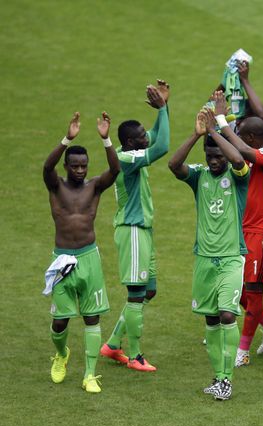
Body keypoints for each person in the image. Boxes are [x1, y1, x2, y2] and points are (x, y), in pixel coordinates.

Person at [168, 109, 249, 401]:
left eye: (218, 156)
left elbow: (238, 160)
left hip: (231, 257)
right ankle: (219, 377)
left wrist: (214, 131)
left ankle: (227, 380)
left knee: (227, 313)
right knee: (211, 320)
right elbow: (173, 165)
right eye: (209, 156)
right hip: (204, 258)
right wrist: (197, 135)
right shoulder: (199, 176)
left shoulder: (238, 178)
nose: (214, 161)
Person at [209, 91, 263, 366]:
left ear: (252, 138)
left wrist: (220, 121)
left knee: (253, 290)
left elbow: (241, 151)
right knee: (238, 288)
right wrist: (214, 129)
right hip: (246, 229)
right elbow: (236, 154)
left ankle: (242, 352)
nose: (239, 138)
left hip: (262, 232)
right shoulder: (256, 154)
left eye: (242, 134)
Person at [44, 112, 120, 394]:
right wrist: (67, 139)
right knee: (60, 320)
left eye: (84, 166)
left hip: (89, 259)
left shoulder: (94, 187)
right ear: (66, 166)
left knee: (92, 318)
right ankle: (61, 354)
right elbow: (46, 166)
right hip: (62, 260)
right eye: (74, 166)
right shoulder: (56, 186)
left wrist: (106, 139)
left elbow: (115, 170)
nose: (80, 170)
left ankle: (89, 374)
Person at [101, 81, 170, 372]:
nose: (146, 137)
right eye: (142, 136)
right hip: (131, 230)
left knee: (147, 291)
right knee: (135, 293)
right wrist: (162, 109)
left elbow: (157, 135)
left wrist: (165, 106)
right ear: (131, 142)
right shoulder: (126, 159)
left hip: (143, 230)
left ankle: (112, 344)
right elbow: (163, 146)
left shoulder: (131, 149)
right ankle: (136, 356)